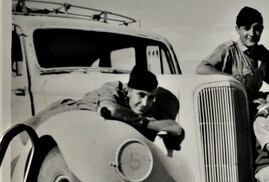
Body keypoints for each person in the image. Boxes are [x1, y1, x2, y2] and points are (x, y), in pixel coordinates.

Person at [22, 65, 184, 147]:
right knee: (22, 143)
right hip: (60, 114)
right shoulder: (112, 87)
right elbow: (111, 109)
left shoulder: (144, 108)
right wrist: (144, 122)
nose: (145, 103)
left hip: (82, 132)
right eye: (141, 95)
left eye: (151, 98)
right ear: (128, 91)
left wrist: (145, 122)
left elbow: (176, 128)